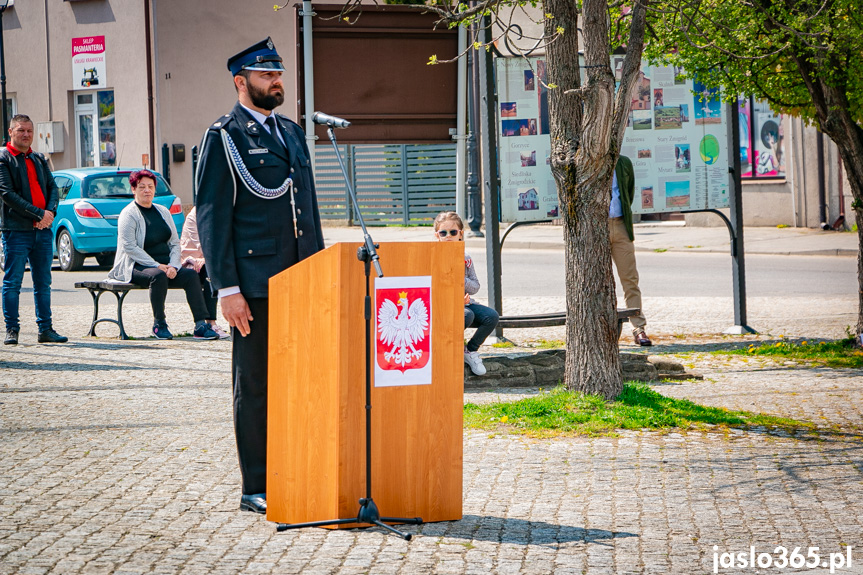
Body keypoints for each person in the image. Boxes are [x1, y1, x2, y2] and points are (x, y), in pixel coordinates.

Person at [195, 37, 325, 515]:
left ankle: (297, 466)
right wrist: (227, 290)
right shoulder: (223, 135)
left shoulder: (292, 133)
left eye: (279, 73)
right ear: (241, 81)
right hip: (255, 285)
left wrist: (320, 272)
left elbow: (307, 211)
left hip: (303, 281)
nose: (277, 80)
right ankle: (257, 484)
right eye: (267, 74)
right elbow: (212, 218)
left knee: (304, 381)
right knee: (256, 386)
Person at [107, 169, 219, 341]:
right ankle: (159, 324)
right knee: (157, 276)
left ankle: (200, 324)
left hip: (167, 265)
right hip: (136, 266)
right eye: (142, 186)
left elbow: (174, 242)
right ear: (133, 189)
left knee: (190, 274)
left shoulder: (163, 211)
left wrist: (174, 265)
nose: (147, 190)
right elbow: (130, 247)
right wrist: (157, 265)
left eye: (150, 186)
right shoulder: (128, 214)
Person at [0, 114, 67, 345]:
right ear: (11, 132)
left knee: (43, 282)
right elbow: (7, 195)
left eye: (29, 131)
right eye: (21, 130)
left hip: (42, 231)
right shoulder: (3, 158)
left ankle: (46, 330)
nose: (26, 135)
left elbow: (52, 188)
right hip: (16, 230)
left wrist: (49, 214)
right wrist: (39, 215)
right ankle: (12, 330)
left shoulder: (38, 158)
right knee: (12, 282)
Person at [434, 211, 499, 376]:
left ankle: (469, 351)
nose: (448, 236)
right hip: (441, 306)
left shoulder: (465, 258)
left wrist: (461, 276)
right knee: (466, 315)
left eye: (453, 232)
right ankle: (449, 348)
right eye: (443, 233)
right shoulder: (433, 256)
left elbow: (475, 286)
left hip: (465, 303)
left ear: (460, 234)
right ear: (437, 235)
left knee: (491, 316)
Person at [610, 155, 652, 346]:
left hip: (620, 225)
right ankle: (603, 329)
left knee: (630, 280)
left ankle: (638, 328)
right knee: (596, 282)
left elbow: (629, 192)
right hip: (595, 228)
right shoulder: (587, 160)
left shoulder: (624, 162)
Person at [180, 206, 229, 339]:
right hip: (190, 261)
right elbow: (202, 244)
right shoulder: (194, 216)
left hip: (208, 259)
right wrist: (208, 258)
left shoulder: (222, 212)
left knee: (212, 268)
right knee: (210, 271)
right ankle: (210, 323)